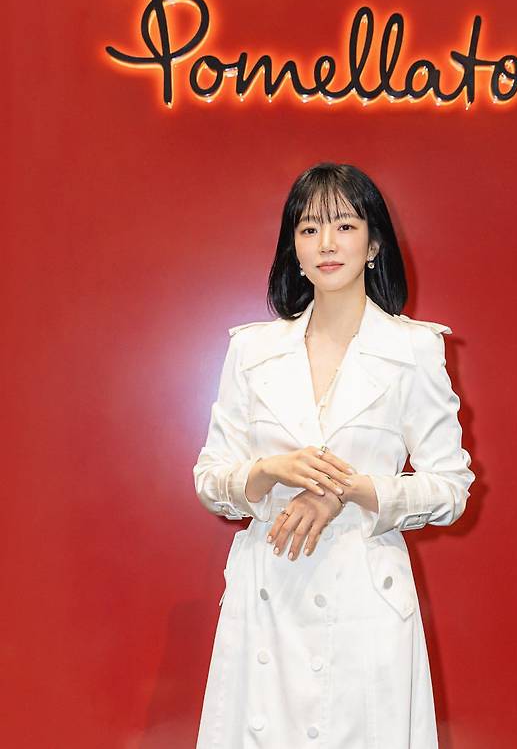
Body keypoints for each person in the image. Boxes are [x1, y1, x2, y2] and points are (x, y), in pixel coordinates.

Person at [193, 162, 475, 748]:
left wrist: (346, 490)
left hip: (364, 602)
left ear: (373, 244)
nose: (326, 243)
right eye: (309, 228)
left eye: (345, 225)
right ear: (293, 248)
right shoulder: (252, 350)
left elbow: (450, 487)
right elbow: (211, 479)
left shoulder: (413, 349)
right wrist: (268, 471)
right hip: (268, 593)